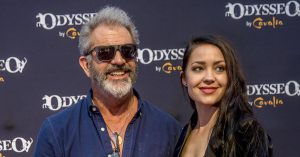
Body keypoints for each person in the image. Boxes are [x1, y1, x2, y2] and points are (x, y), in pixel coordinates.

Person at [33, 6, 181, 157]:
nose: (119, 60)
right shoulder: (57, 132)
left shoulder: (168, 129)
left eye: (127, 51)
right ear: (86, 65)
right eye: (105, 53)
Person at [174, 35, 273, 157]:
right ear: (184, 78)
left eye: (219, 68)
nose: (209, 77)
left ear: (230, 76)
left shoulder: (245, 133)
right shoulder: (183, 135)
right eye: (198, 68)